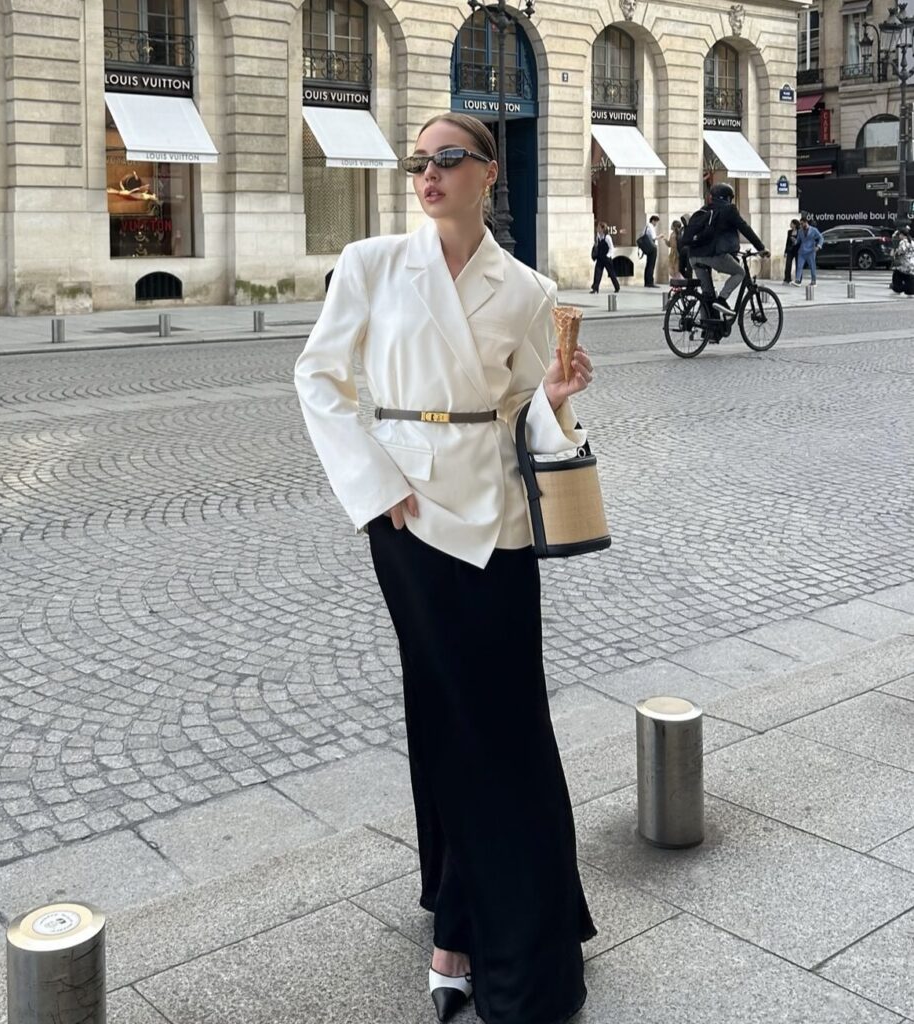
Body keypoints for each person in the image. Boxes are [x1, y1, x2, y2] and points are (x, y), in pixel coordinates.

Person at [294, 112, 598, 1024]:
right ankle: (460, 927)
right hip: (411, 515)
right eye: (419, 161)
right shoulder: (374, 262)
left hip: (498, 519)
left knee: (505, 723)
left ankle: (483, 924)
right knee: (448, 713)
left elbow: (531, 422)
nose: (428, 174)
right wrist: (373, 482)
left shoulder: (529, 289)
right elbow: (318, 377)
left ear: (488, 174)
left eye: (448, 160)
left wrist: (554, 399)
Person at [688, 182, 768, 321]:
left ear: (712, 197)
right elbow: (745, 228)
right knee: (740, 272)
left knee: (707, 294)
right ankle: (722, 300)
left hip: (693, 256)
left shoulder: (705, 210)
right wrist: (761, 248)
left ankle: (709, 330)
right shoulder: (729, 210)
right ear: (728, 198)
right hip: (713, 255)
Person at [590, 221, 620, 293]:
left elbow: (611, 247)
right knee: (597, 272)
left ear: (602, 229)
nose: (597, 229)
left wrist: (608, 255)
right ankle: (595, 288)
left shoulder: (607, 237)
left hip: (606, 258)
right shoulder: (598, 236)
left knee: (611, 273)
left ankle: (617, 287)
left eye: (599, 227)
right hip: (600, 257)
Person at [793, 217, 823, 286]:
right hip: (802, 251)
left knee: (812, 266)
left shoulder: (813, 230)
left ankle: (813, 281)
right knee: (799, 266)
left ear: (806, 222)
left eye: (802, 223)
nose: (800, 225)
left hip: (811, 251)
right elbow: (798, 240)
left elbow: (821, 237)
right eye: (800, 224)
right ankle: (797, 280)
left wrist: (818, 246)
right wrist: (795, 241)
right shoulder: (800, 231)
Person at [890, 224, 914, 296]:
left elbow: (901, 251)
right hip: (911, 264)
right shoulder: (912, 242)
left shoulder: (903, 242)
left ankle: (899, 288)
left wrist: (895, 252)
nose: (899, 236)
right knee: (909, 278)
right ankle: (909, 290)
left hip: (903, 264)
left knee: (897, 275)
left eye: (900, 234)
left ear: (902, 235)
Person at [639, 214, 663, 287]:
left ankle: (647, 282)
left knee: (648, 264)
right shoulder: (650, 226)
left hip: (648, 248)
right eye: (656, 222)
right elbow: (653, 237)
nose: (656, 224)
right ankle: (650, 282)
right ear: (653, 221)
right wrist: (660, 236)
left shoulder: (646, 226)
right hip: (652, 248)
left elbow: (641, 235)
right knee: (651, 265)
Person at [783, 218, 800, 285]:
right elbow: (787, 242)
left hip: (797, 250)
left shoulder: (800, 231)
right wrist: (785, 251)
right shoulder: (789, 232)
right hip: (790, 250)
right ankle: (787, 279)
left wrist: (795, 240)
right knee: (788, 264)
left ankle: (798, 279)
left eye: (791, 223)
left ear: (795, 225)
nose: (790, 225)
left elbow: (801, 241)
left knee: (798, 265)